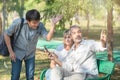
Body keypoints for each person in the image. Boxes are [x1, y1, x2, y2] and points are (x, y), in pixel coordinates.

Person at [4, 9, 62, 80]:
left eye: (38, 22)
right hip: (17, 53)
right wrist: (11, 52)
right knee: (15, 76)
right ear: (28, 21)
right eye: (34, 23)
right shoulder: (18, 23)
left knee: (30, 77)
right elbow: (6, 34)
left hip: (30, 54)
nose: (36, 24)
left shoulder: (40, 26)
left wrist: (53, 25)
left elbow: (48, 38)